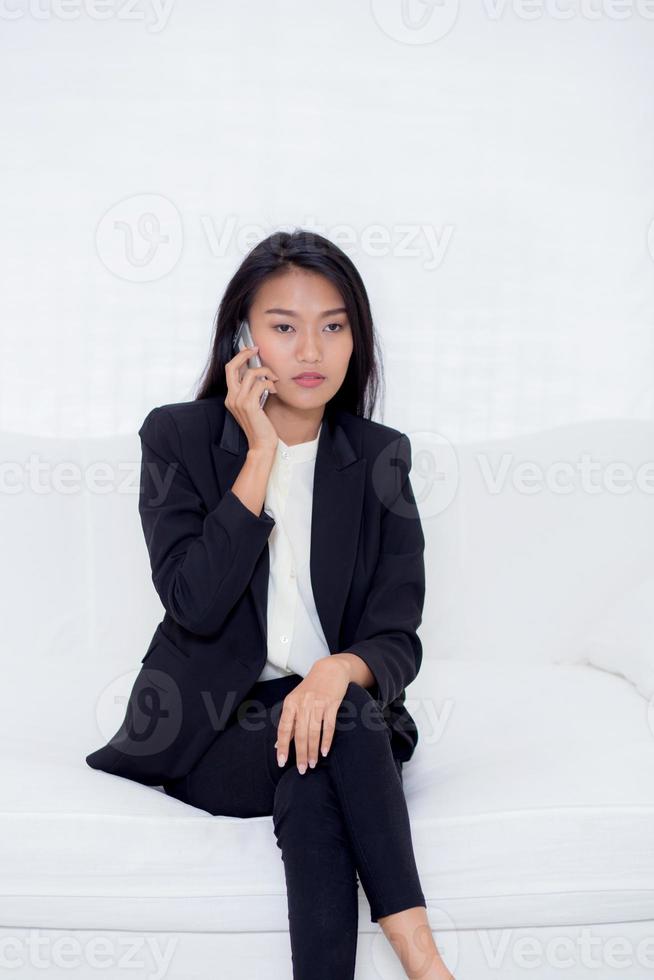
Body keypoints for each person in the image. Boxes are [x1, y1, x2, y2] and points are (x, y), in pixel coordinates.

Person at [86, 229, 455, 980]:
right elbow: (194, 602)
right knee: (345, 726)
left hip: (329, 721)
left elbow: (397, 635)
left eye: (333, 326)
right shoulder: (178, 438)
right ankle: (428, 965)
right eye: (284, 327)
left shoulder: (380, 455)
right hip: (213, 731)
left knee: (321, 770)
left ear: (358, 339)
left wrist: (336, 670)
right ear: (243, 339)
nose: (311, 351)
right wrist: (257, 455)